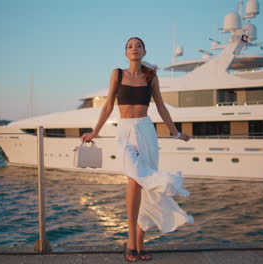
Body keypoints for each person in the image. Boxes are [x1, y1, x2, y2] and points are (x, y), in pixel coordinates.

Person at [81, 37, 193, 262]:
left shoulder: (151, 76)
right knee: (134, 179)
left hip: (145, 131)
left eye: (138, 46)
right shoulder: (118, 74)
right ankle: (131, 240)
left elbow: (161, 106)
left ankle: (139, 244)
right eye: (130, 46)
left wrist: (176, 133)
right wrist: (95, 131)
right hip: (124, 131)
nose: (134, 49)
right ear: (126, 53)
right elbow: (108, 105)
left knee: (146, 186)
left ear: (144, 51)